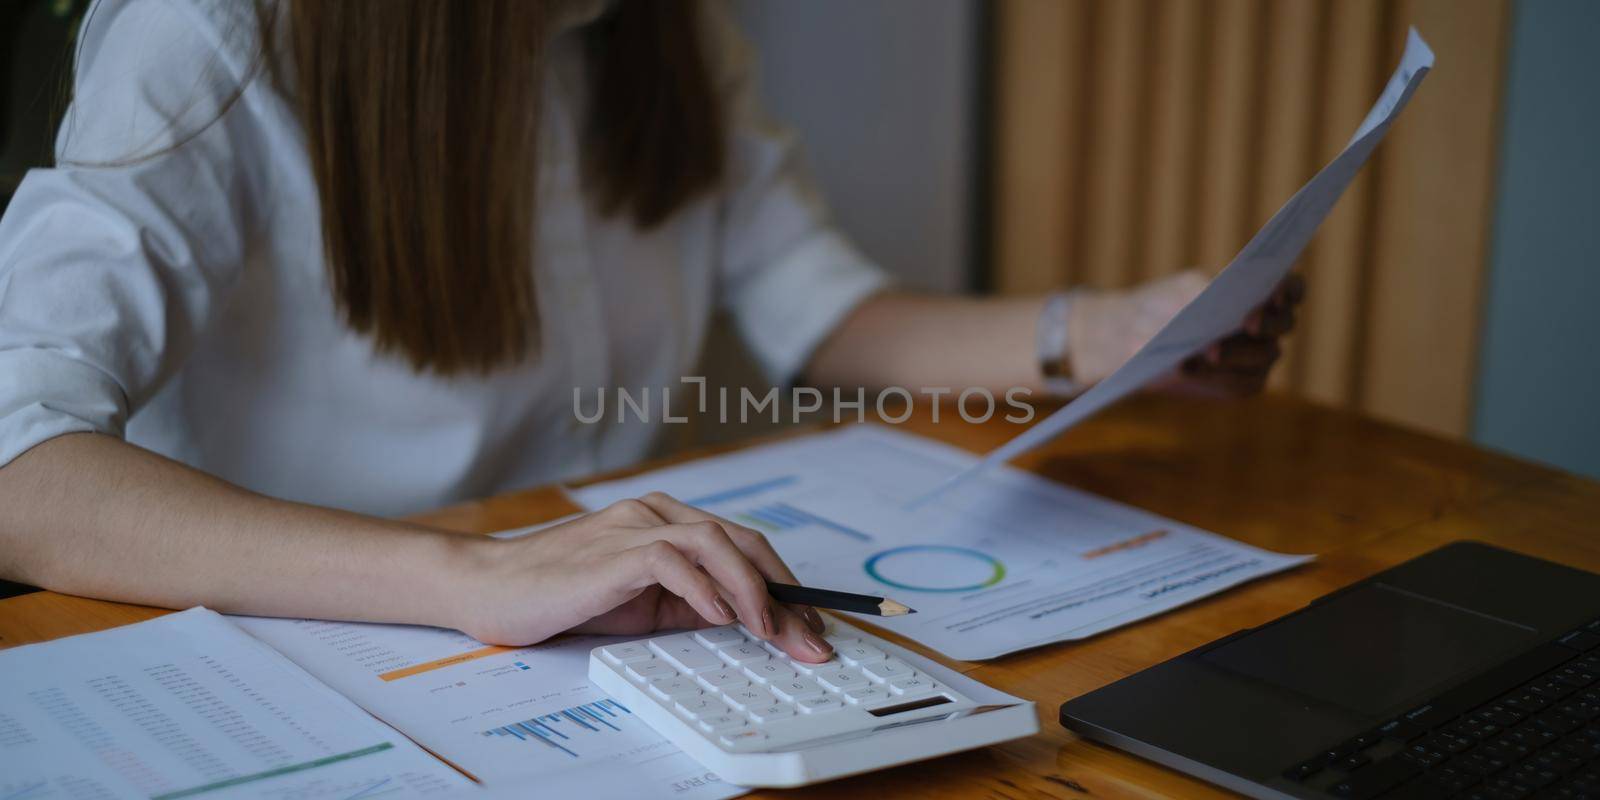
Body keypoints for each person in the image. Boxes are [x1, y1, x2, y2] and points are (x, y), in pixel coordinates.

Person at [0, 0, 1299, 662]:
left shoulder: (659, 35)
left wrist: (1106, 331)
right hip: (316, 645)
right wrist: (477, 579)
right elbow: (20, 462)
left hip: (604, 638)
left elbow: (823, 310)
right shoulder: (215, 34)